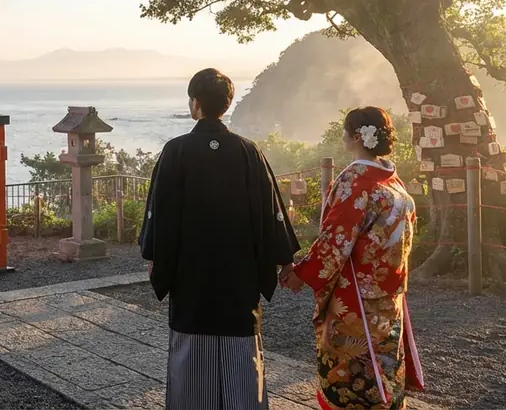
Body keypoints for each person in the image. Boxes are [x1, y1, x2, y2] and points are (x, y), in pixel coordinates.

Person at [139, 68, 300, 410]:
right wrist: (285, 260)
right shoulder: (247, 151)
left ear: (194, 104)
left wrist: (154, 257)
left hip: (190, 278)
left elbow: (160, 214)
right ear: (226, 104)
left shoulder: (176, 151)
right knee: (242, 360)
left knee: (191, 363)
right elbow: (271, 211)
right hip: (238, 280)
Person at [280, 107, 425, 409]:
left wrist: (300, 273)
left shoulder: (356, 181)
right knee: (383, 362)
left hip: (357, 296)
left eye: (346, 130)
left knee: (355, 373)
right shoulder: (394, 183)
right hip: (389, 294)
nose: (343, 135)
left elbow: (336, 240)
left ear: (357, 137)